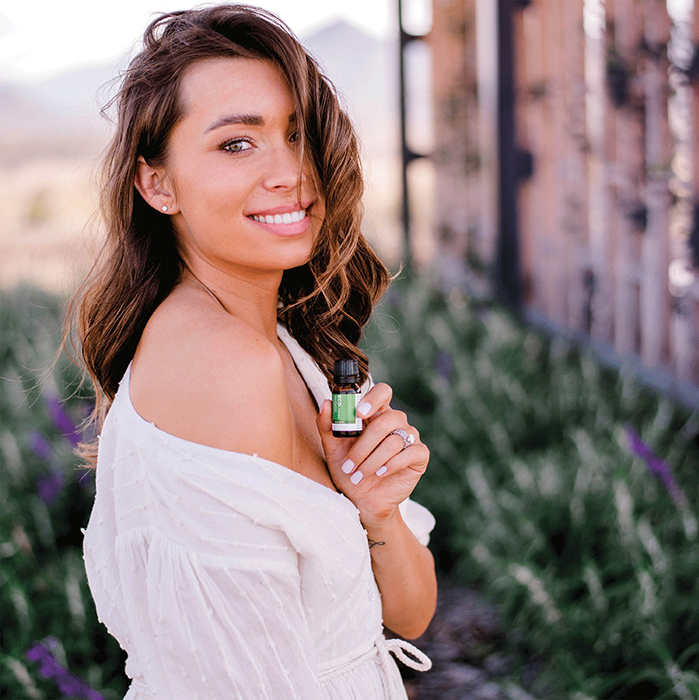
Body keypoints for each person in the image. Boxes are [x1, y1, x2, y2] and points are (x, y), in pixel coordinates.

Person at [74, 5, 437, 698]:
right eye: (237, 144)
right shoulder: (219, 362)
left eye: (298, 134)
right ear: (157, 184)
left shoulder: (281, 343)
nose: (291, 173)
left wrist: (376, 509)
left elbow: (409, 617)